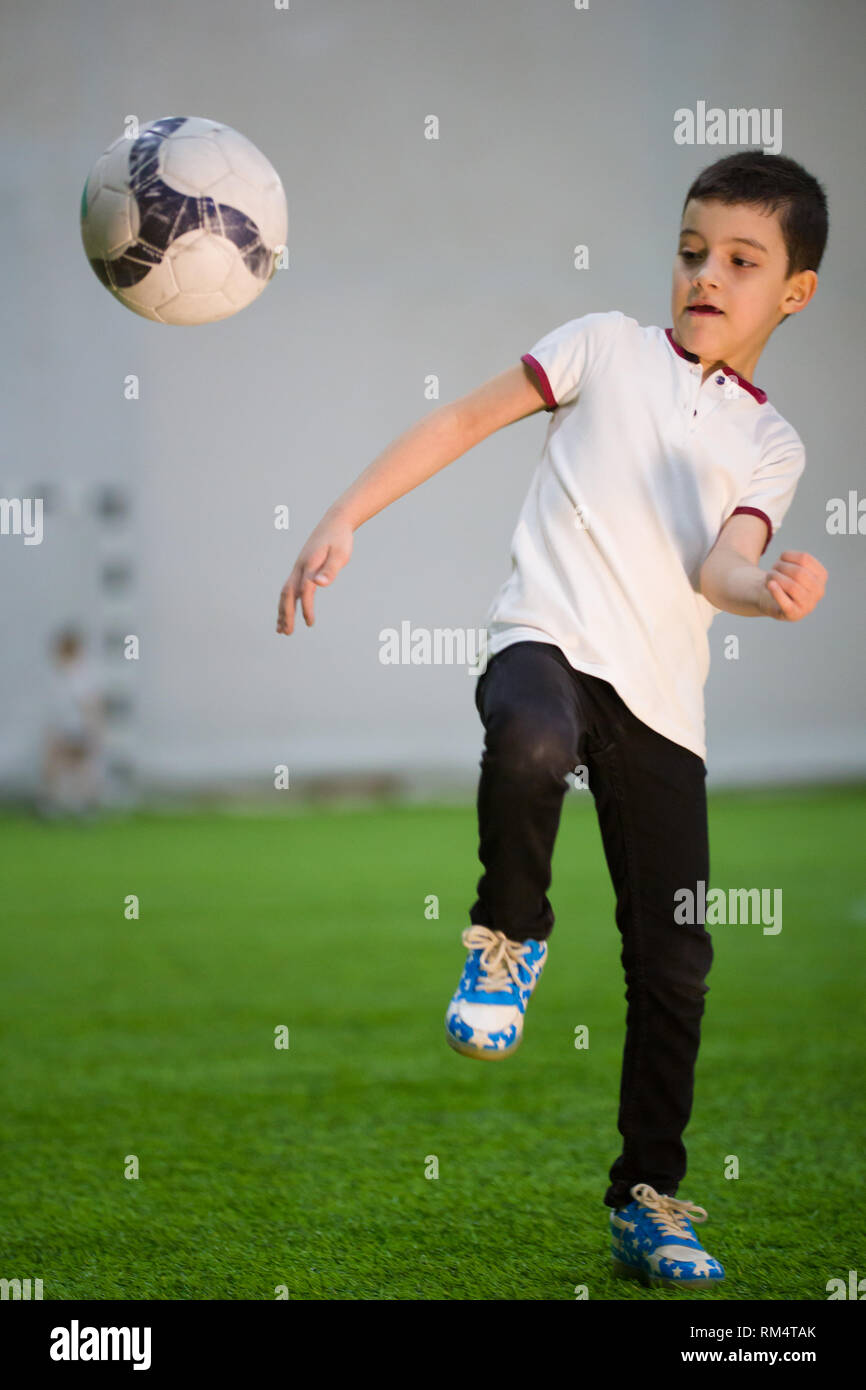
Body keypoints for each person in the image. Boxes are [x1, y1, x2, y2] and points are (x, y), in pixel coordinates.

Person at [275, 151, 828, 1291]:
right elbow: (463, 420)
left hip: (663, 710)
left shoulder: (771, 443)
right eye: (689, 253)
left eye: (738, 260)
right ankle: (508, 933)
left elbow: (720, 563)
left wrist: (763, 590)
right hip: (546, 643)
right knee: (527, 740)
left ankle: (646, 1201)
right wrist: (344, 514)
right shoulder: (601, 346)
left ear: (794, 291)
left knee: (675, 963)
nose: (703, 277)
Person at [40, 627, 105, 819]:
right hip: (67, 728)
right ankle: (67, 805)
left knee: (73, 767)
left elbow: (89, 705)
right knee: (64, 767)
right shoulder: (65, 675)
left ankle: (80, 806)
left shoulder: (77, 676)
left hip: (75, 729)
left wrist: (94, 729)